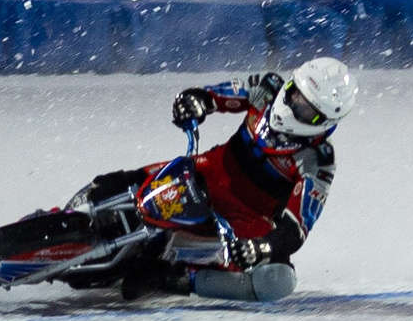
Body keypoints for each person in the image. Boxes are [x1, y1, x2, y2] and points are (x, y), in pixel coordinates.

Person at [106, 59, 355, 302]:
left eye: (306, 109)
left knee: (279, 280)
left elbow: (296, 228)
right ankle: (81, 212)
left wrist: (262, 247)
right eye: (295, 94)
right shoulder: (268, 88)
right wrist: (194, 103)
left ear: (323, 121)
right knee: (121, 182)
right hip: (208, 171)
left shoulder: (320, 161)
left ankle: (175, 278)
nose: (293, 105)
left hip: (246, 218)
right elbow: (212, 96)